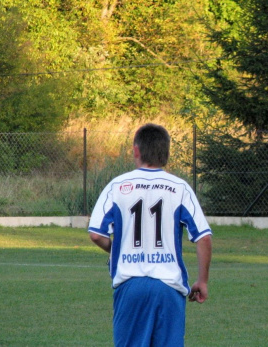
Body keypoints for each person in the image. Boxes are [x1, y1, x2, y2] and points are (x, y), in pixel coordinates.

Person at [88, 123, 212, 346]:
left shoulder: (117, 186)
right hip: (169, 286)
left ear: (136, 150)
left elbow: (96, 234)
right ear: (166, 153)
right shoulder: (180, 187)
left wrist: (119, 248)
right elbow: (203, 237)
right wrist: (202, 280)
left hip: (130, 285)